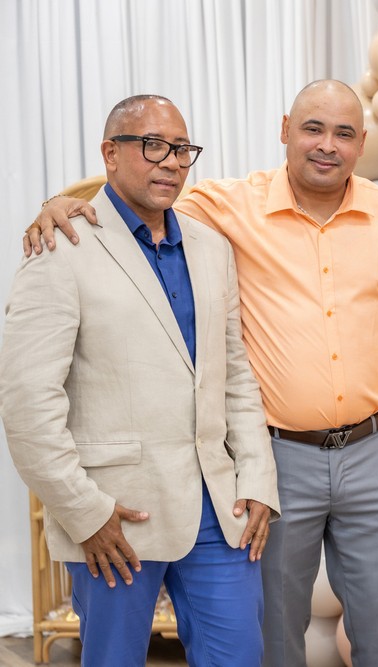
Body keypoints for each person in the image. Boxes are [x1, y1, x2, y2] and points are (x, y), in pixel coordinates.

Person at [27, 80, 378, 667]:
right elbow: (130, 203)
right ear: (285, 130)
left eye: (343, 133)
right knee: (271, 635)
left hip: (376, 452)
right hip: (277, 461)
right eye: (312, 128)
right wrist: (56, 204)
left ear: (362, 144)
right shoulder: (225, 207)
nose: (326, 145)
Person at [0, 95, 280, 666]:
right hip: (115, 516)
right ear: (110, 153)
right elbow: (28, 402)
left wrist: (256, 476)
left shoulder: (212, 247)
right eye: (153, 146)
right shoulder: (59, 247)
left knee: (240, 655)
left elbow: (235, 374)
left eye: (182, 149)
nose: (171, 161)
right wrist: (84, 511)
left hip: (219, 511)